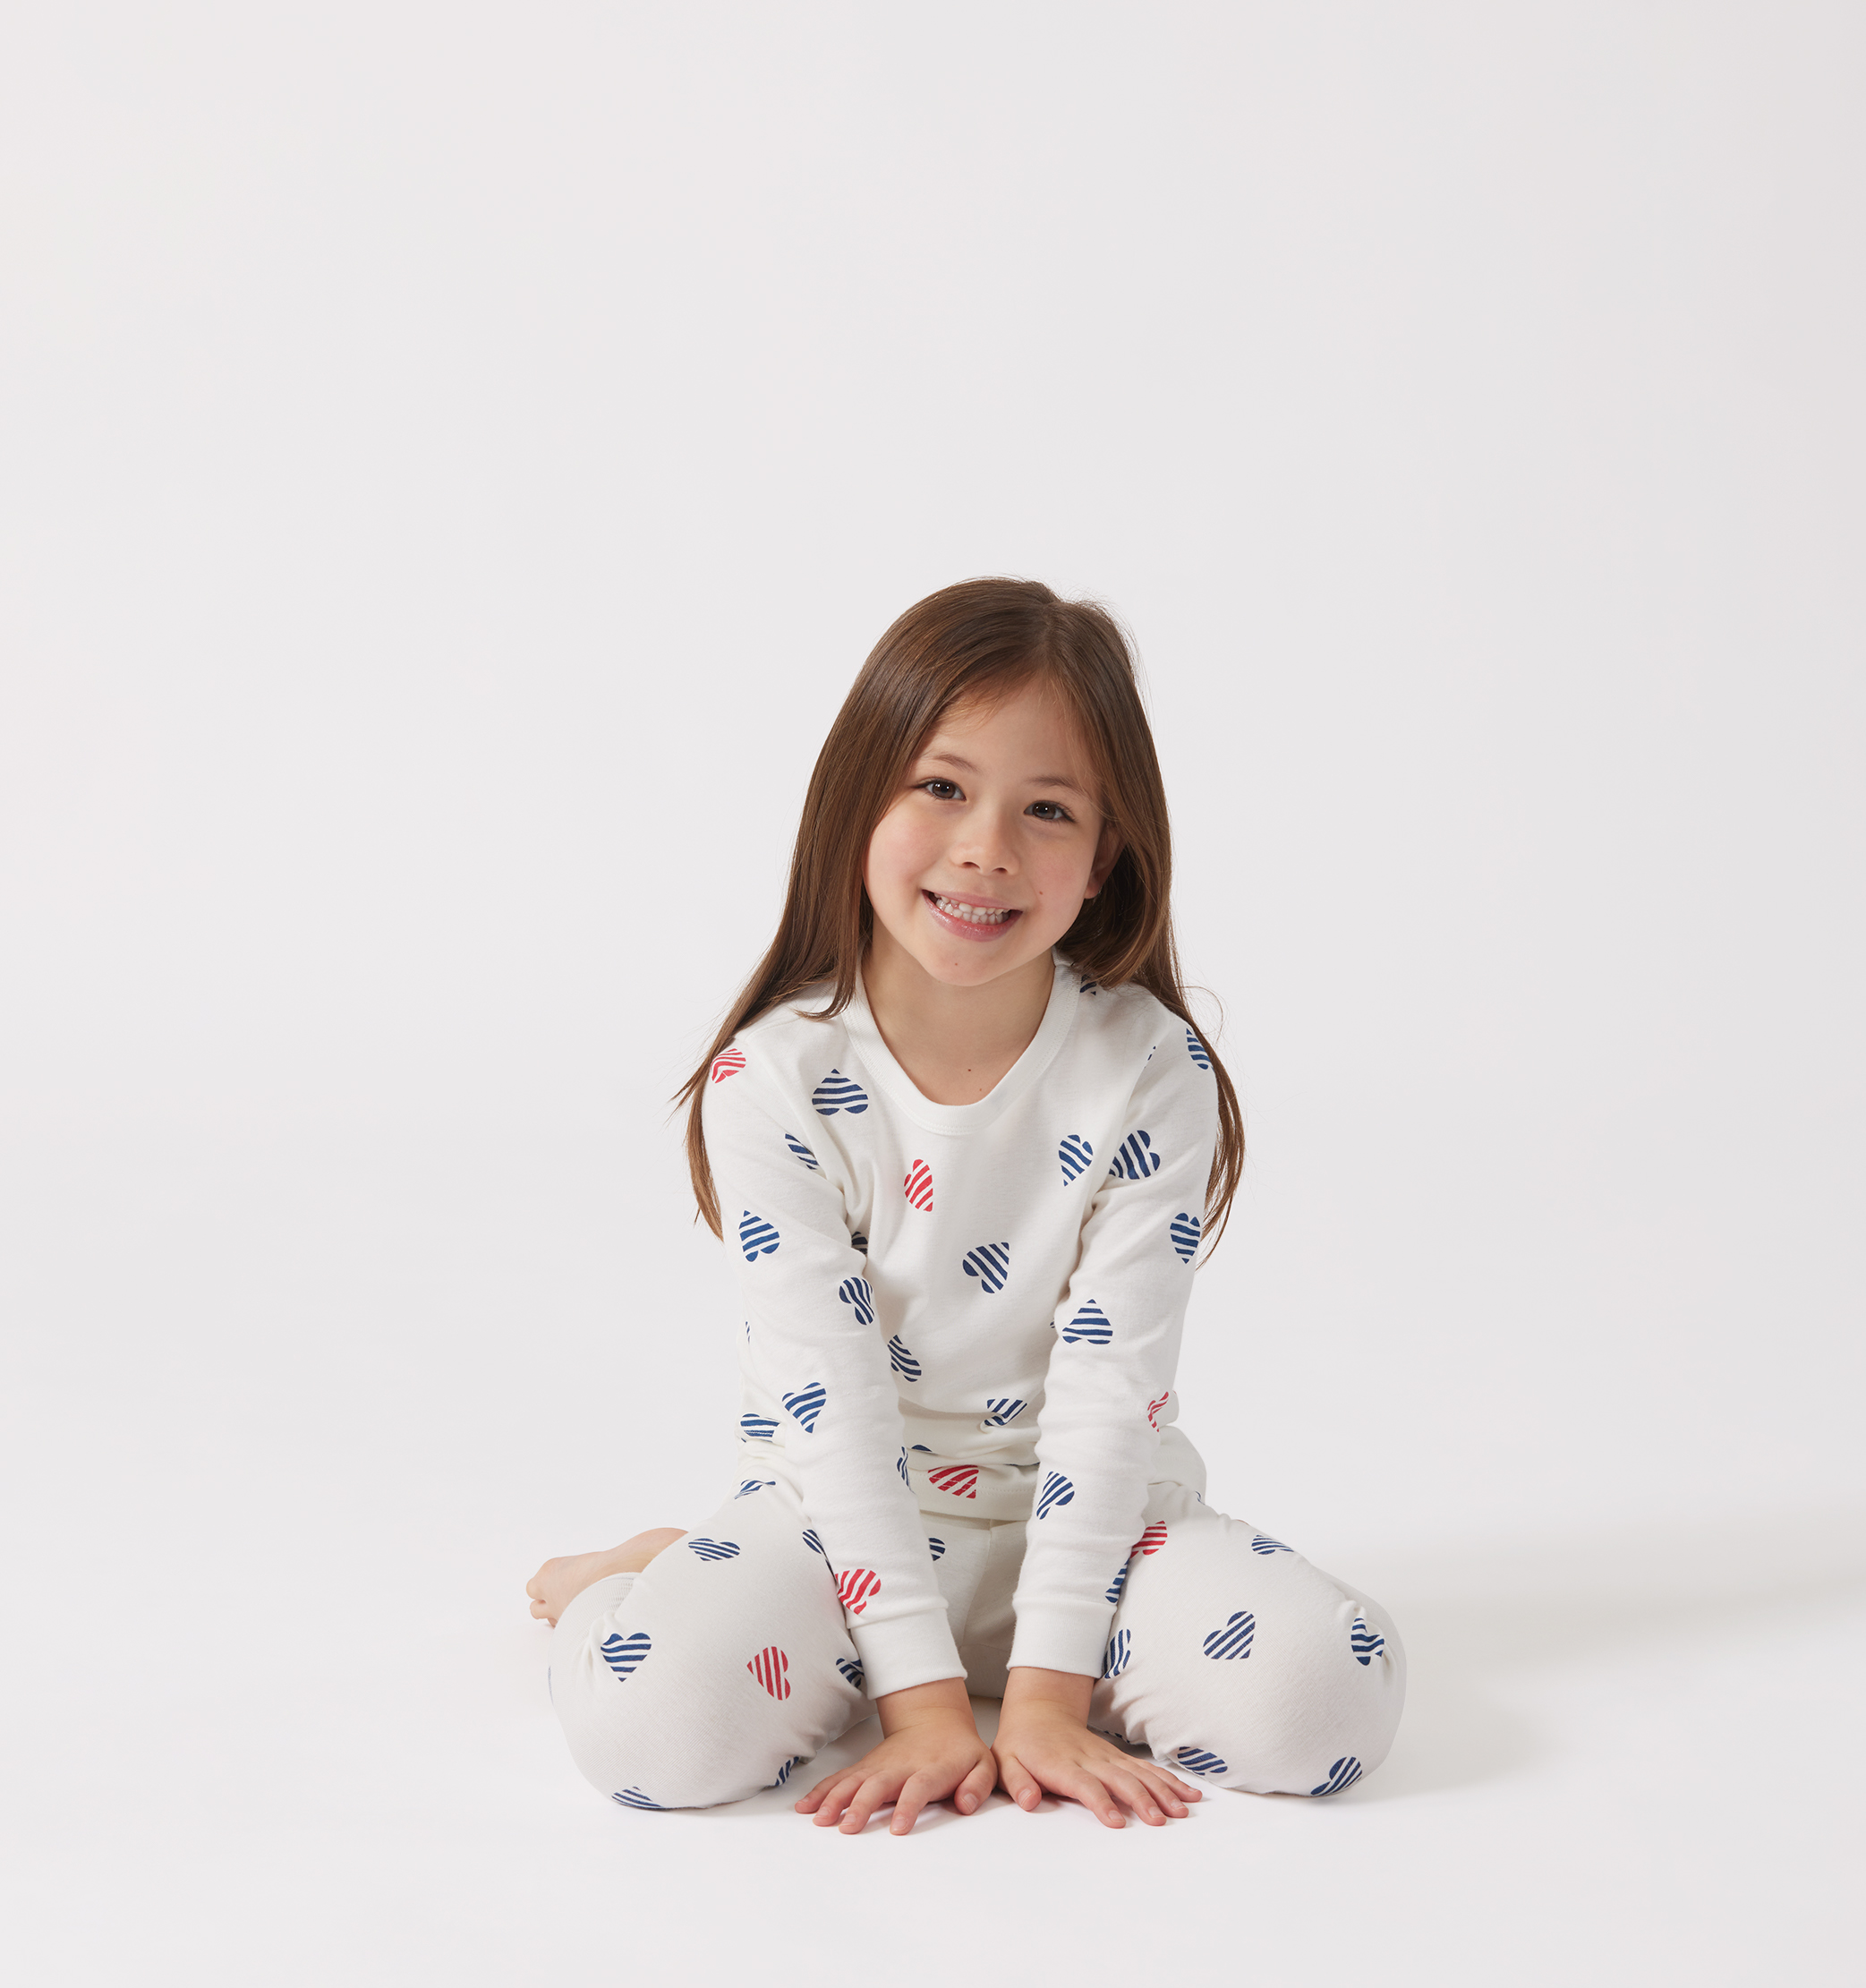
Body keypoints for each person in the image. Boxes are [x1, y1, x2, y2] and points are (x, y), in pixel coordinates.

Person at [526, 576, 1405, 1833]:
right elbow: (833, 1407)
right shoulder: (773, 1080)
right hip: (835, 1523)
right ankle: (632, 1580)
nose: (986, 847)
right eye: (939, 786)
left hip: (1096, 1525)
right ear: (857, 801)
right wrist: (924, 1708)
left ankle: (1025, 1654)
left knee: (1327, 1702)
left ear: (1104, 858)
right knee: (649, 1733)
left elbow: (1110, 1391)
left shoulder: (1149, 1069)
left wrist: (1044, 1697)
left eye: (1047, 809)